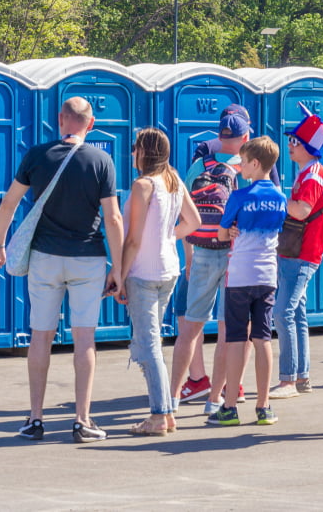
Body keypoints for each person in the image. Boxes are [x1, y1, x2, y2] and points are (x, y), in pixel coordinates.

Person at [0, 97, 123, 443]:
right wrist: (118, 269)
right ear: (90, 124)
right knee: (84, 339)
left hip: (45, 258)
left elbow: (9, 202)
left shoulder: (36, 155)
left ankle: (35, 419)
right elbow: (113, 218)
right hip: (88, 258)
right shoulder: (102, 160)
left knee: (41, 336)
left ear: (61, 120)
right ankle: (82, 420)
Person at [173, 105, 260, 410]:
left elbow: (183, 214)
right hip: (235, 257)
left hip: (201, 254)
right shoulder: (248, 168)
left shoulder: (199, 165)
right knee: (230, 329)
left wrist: (188, 254)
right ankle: (222, 394)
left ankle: (176, 395)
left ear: (219, 134)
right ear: (245, 136)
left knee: (191, 326)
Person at [117, 128, 201, 435]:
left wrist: (119, 276)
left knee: (150, 344)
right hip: (169, 269)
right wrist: (168, 236)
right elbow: (194, 222)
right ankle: (164, 412)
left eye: (134, 148)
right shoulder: (173, 180)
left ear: (144, 152)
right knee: (148, 341)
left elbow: (134, 240)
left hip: (144, 273)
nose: (131, 154)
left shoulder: (143, 185)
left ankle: (161, 414)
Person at [207, 136, 286, 426]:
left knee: (236, 339)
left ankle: (229, 408)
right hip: (267, 277)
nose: (239, 167)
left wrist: (232, 232)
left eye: (242, 162)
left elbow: (222, 234)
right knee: (263, 338)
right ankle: (264, 407)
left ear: (255, 163)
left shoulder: (239, 196)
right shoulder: (280, 197)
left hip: (239, 276)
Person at [269, 110, 323, 399]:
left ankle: (288, 381)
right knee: (296, 315)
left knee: (283, 314)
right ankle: (302, 376)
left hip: (301, 253)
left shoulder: (312, 177)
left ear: (308, 146)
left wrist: (277, 197)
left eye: (294, 141)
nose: (290, 145)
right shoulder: (311, 173)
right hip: (301, 252)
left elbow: (300, 210)